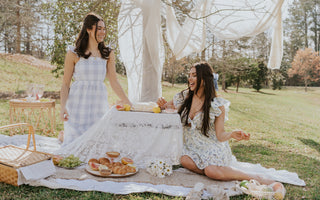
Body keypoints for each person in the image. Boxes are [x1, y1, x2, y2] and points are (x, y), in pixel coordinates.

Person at [157, 62, 281, 186]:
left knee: (211, 171)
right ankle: (213, 171)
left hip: (212, 147)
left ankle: (254, 177)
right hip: (193, 147)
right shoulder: (183, 97)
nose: (190, 78)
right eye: (189, 75)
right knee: (184, 160)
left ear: (204, 79)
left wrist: (232, 134)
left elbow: (220, 135)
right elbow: (165, 106)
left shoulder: (216, 105)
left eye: (194, 75)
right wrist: (161, 103)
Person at [60, 12, 131, 145]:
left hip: (98, 105)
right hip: (77, 106)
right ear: (88, 29)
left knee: (97, 144)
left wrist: (128, 102)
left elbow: (114, 81)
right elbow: (65, 84)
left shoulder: (107, 53)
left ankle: (63, 136)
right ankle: (64, 136)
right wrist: (62, 107)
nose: (103, 32)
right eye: (99, 28)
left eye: (104, 29)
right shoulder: (74, 53)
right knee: (75, 145)